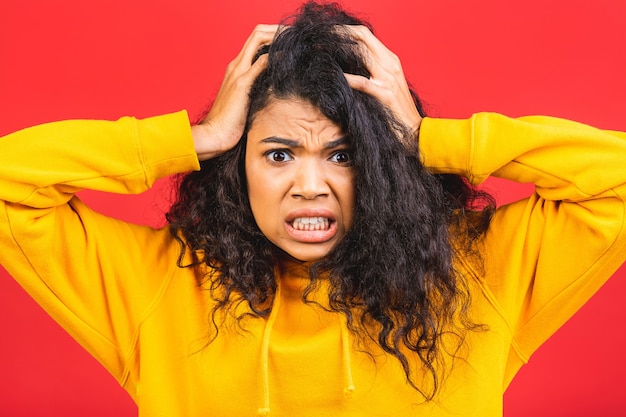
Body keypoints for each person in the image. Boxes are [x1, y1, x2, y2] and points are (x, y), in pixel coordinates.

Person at [1, 2, 624, 416]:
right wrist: (196, 138)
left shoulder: (477, 272)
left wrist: (431, 139)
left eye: (345, 155)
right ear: (237, 165)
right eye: (277, 155)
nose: (309, 185)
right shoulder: (157, 283)